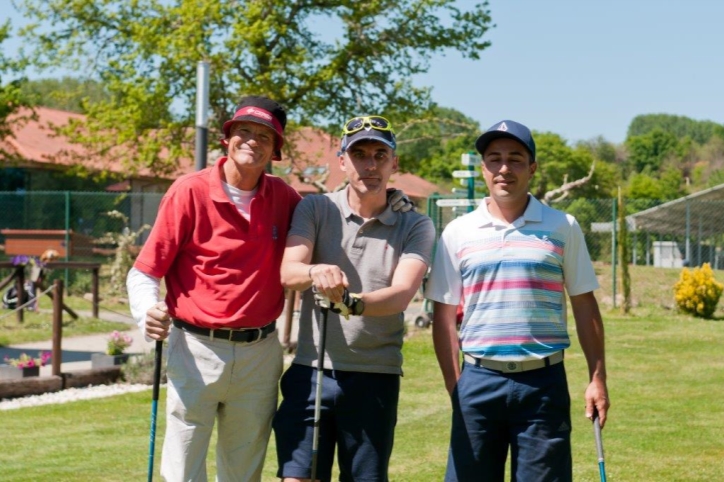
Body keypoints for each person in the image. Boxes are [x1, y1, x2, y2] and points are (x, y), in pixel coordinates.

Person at [126, 97, 415, 481]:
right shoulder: (188, 192)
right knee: (183, 467)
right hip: (195, 347)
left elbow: (350, 204)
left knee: (244, 468)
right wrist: (147, 309)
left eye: (264, 135)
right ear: (227, 138)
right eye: (244, 130)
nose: (252, 141)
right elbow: (144, 272)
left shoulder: (287, 199)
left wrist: (394, 199)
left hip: (260, 351)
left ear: (275, 149)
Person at [425, 120, 610, 481]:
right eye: (494, 159)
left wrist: (597, 378)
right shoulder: (458, 231)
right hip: (478, 382)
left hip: (543, 385)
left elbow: (584, 304)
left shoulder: (563, 226)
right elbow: (444, 315)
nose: (504, 168)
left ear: (533, 168)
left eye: (515, 159)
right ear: (483, 169)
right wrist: (455, 385)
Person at [273, 115, 436, 481]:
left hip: (375, 376)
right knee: (297, 477)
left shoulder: (416, 224)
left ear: (394, 163)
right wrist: (316, 272)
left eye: (380, 154)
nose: (370, 164)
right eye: (359, 154)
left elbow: (401, 294)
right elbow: (288, 272)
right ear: (342, 160)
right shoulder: (315, 208)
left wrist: (351, 302)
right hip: (311, 370)